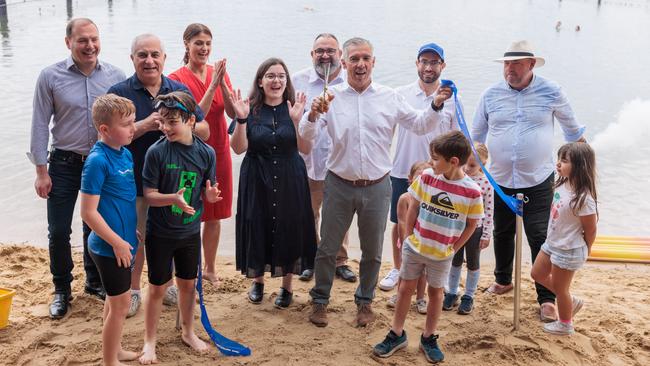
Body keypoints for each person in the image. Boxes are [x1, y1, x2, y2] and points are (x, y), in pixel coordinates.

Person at [299, 37, 453, 328]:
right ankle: (320, 300)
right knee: (328, 248)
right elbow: (307, 136)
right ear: (343, 64)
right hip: (339, 182)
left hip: (378, 184)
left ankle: (365, 301)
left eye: (365, 58)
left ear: (373, 63)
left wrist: (435, 105)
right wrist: (313, 113)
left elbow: (420, 124)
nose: (360, 64)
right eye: (354, 59)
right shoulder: (329, 97)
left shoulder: (390, 97)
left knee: (372, 251)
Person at [471, 40, 586, 322]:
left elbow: (573, 133)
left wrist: (584, 176)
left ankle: (546, 299)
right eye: (506, 64)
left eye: (516, 64)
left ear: (531, 64)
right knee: (501, 232)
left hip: (538, 179)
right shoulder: (490, 94)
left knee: (540, 237)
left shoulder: (552, 91)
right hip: (498, 179)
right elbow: (476, 136)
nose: (509, 69)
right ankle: (502, 279)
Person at [29, 17, 126, 319]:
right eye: (83, 40)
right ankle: (61, 289)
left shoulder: (115, 75)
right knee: (58, 230)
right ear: (68, 42)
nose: (90, 45)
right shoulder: (50, 77)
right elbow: (40, 125)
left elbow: (123, 121)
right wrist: (41, 171)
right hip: (63, 163)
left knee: (92, 228)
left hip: (100, 163)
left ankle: (94, 282)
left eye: (94, 39)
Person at [107, 33, 209, 317]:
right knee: (136, 236)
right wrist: (142, 126)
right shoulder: (119, 93)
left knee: (173, 233)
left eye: (155, 55)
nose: (149, 61)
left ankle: (167, 285)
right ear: (132, 59)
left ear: (164, 59)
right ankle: (135, 290)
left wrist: (176, 125)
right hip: (133, 180)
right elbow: (106, 140)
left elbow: (204, 130)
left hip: (175, 183)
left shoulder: (178, 90)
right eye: (142, 55)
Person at [372, 131, 483, 363]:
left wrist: (454, 247)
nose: (431, 163)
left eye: (435, 159)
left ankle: (429, 336)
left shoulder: (472, 191)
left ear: (453, 162)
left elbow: (472, 225)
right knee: (404, 289)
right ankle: (397, 333)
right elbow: (413, 206)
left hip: (442, 254)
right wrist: (410, 236)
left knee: (435, 293)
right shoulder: (427, 178)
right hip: (416, 247)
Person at [139, 91, 221, 364]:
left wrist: (209, 198)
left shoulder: (206, 152)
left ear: (189, 119)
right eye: (161, 121)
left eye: (171, 121)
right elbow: (149, 195)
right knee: (158, 288)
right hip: (160, 232)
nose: (165, 127)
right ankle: (149, 341)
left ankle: (188, 331)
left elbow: (207, 190)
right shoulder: (156, 152)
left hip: (189, 232)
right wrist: (172, 198)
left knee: (188, 285)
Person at [230, 58, 317, 309]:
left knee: (289, 225)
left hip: (290, 175)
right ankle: (257, 282)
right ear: (260, 81)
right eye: (270, 76)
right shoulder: (249, 109)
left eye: (281, 76)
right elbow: (238, 148)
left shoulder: (296, 108)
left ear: (286, 81)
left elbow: (306, 149)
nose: (276, 80)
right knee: (257, 222)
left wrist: (298, 122)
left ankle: (287, 286)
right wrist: (242, 120)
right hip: (256, 174)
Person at [381, 42, 461, 292]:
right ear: (417, 64)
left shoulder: (451, 99)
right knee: (400, 221)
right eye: (424, 61)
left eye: (434, 62)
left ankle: (434, 274)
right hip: (403, 167)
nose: (428, 67)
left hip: (436, 174)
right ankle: (397, 268)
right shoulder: (399, 94)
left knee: (435, 223)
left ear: (442, 66)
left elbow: (456, 137)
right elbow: (387, 131)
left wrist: (456, 173)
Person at [169, 23, 235, 284]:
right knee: (188, 213)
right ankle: (186, 270)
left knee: (215, 214)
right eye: (198, 43)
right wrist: (212, 86)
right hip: (188, 154)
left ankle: (209, 268)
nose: (204, 48)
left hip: (219, 151)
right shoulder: (176, 78)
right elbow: (193, 117)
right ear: (187, 44)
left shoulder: (217, 73)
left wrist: (224, 85)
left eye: (208, 43)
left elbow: (231, 113)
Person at [292, 33, 356, 283]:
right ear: (312, 54)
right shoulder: (297, 81)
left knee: (338, 215)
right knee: (308, 214)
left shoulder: (349, 82)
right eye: (320, 51)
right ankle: (310, 258)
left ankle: (340, 260)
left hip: (339, 160)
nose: (325, 56)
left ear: (340, 54)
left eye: (331, 51)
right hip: (306, 162)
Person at [79, 94, 139, 366]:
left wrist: (131, 230)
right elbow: (88, 212)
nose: (133, 128)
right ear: (104, 130)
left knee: (114, 302)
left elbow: (123, 199)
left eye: (133, 121)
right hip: (107, 247)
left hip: (123, 240)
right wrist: (116, 241)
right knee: (121, 306)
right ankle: (109, 361)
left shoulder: (125, 153)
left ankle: (114, 350)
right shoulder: (97, 161)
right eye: (126, 124)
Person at [531, 142, 597, 335]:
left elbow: (591, 230)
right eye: (559, 159)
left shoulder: (583, 198)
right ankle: (570, 300)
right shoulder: (562, 183)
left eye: (564, 160)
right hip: (552, 243)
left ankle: (566, 324)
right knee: (537, 274)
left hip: (568, 249)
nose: (558, 164)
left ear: (580, 165)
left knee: (560, 289)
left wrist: (588, 249)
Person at [443, 142, 494, 315]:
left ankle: (469, 296)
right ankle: (452, 292)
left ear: (483, 164)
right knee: (454, 260)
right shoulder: (458, 178)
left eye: (472, 165)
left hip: (476, 229)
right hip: (456, 227)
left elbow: (488, 211)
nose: (468, 168)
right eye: (466, 164)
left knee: (473, 263)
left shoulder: (487, 184)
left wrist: (486, 234)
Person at [386, 161, 431, 315]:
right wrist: (407, 241)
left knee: (423, 272)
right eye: (418, 177)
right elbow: (402, 222)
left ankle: (420, 298)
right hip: (408, 241)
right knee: (405, 270)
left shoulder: (431, 199)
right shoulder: (405, 198)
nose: (422, 181)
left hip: (425, 242)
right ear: (410, 178)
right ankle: (399, 294)